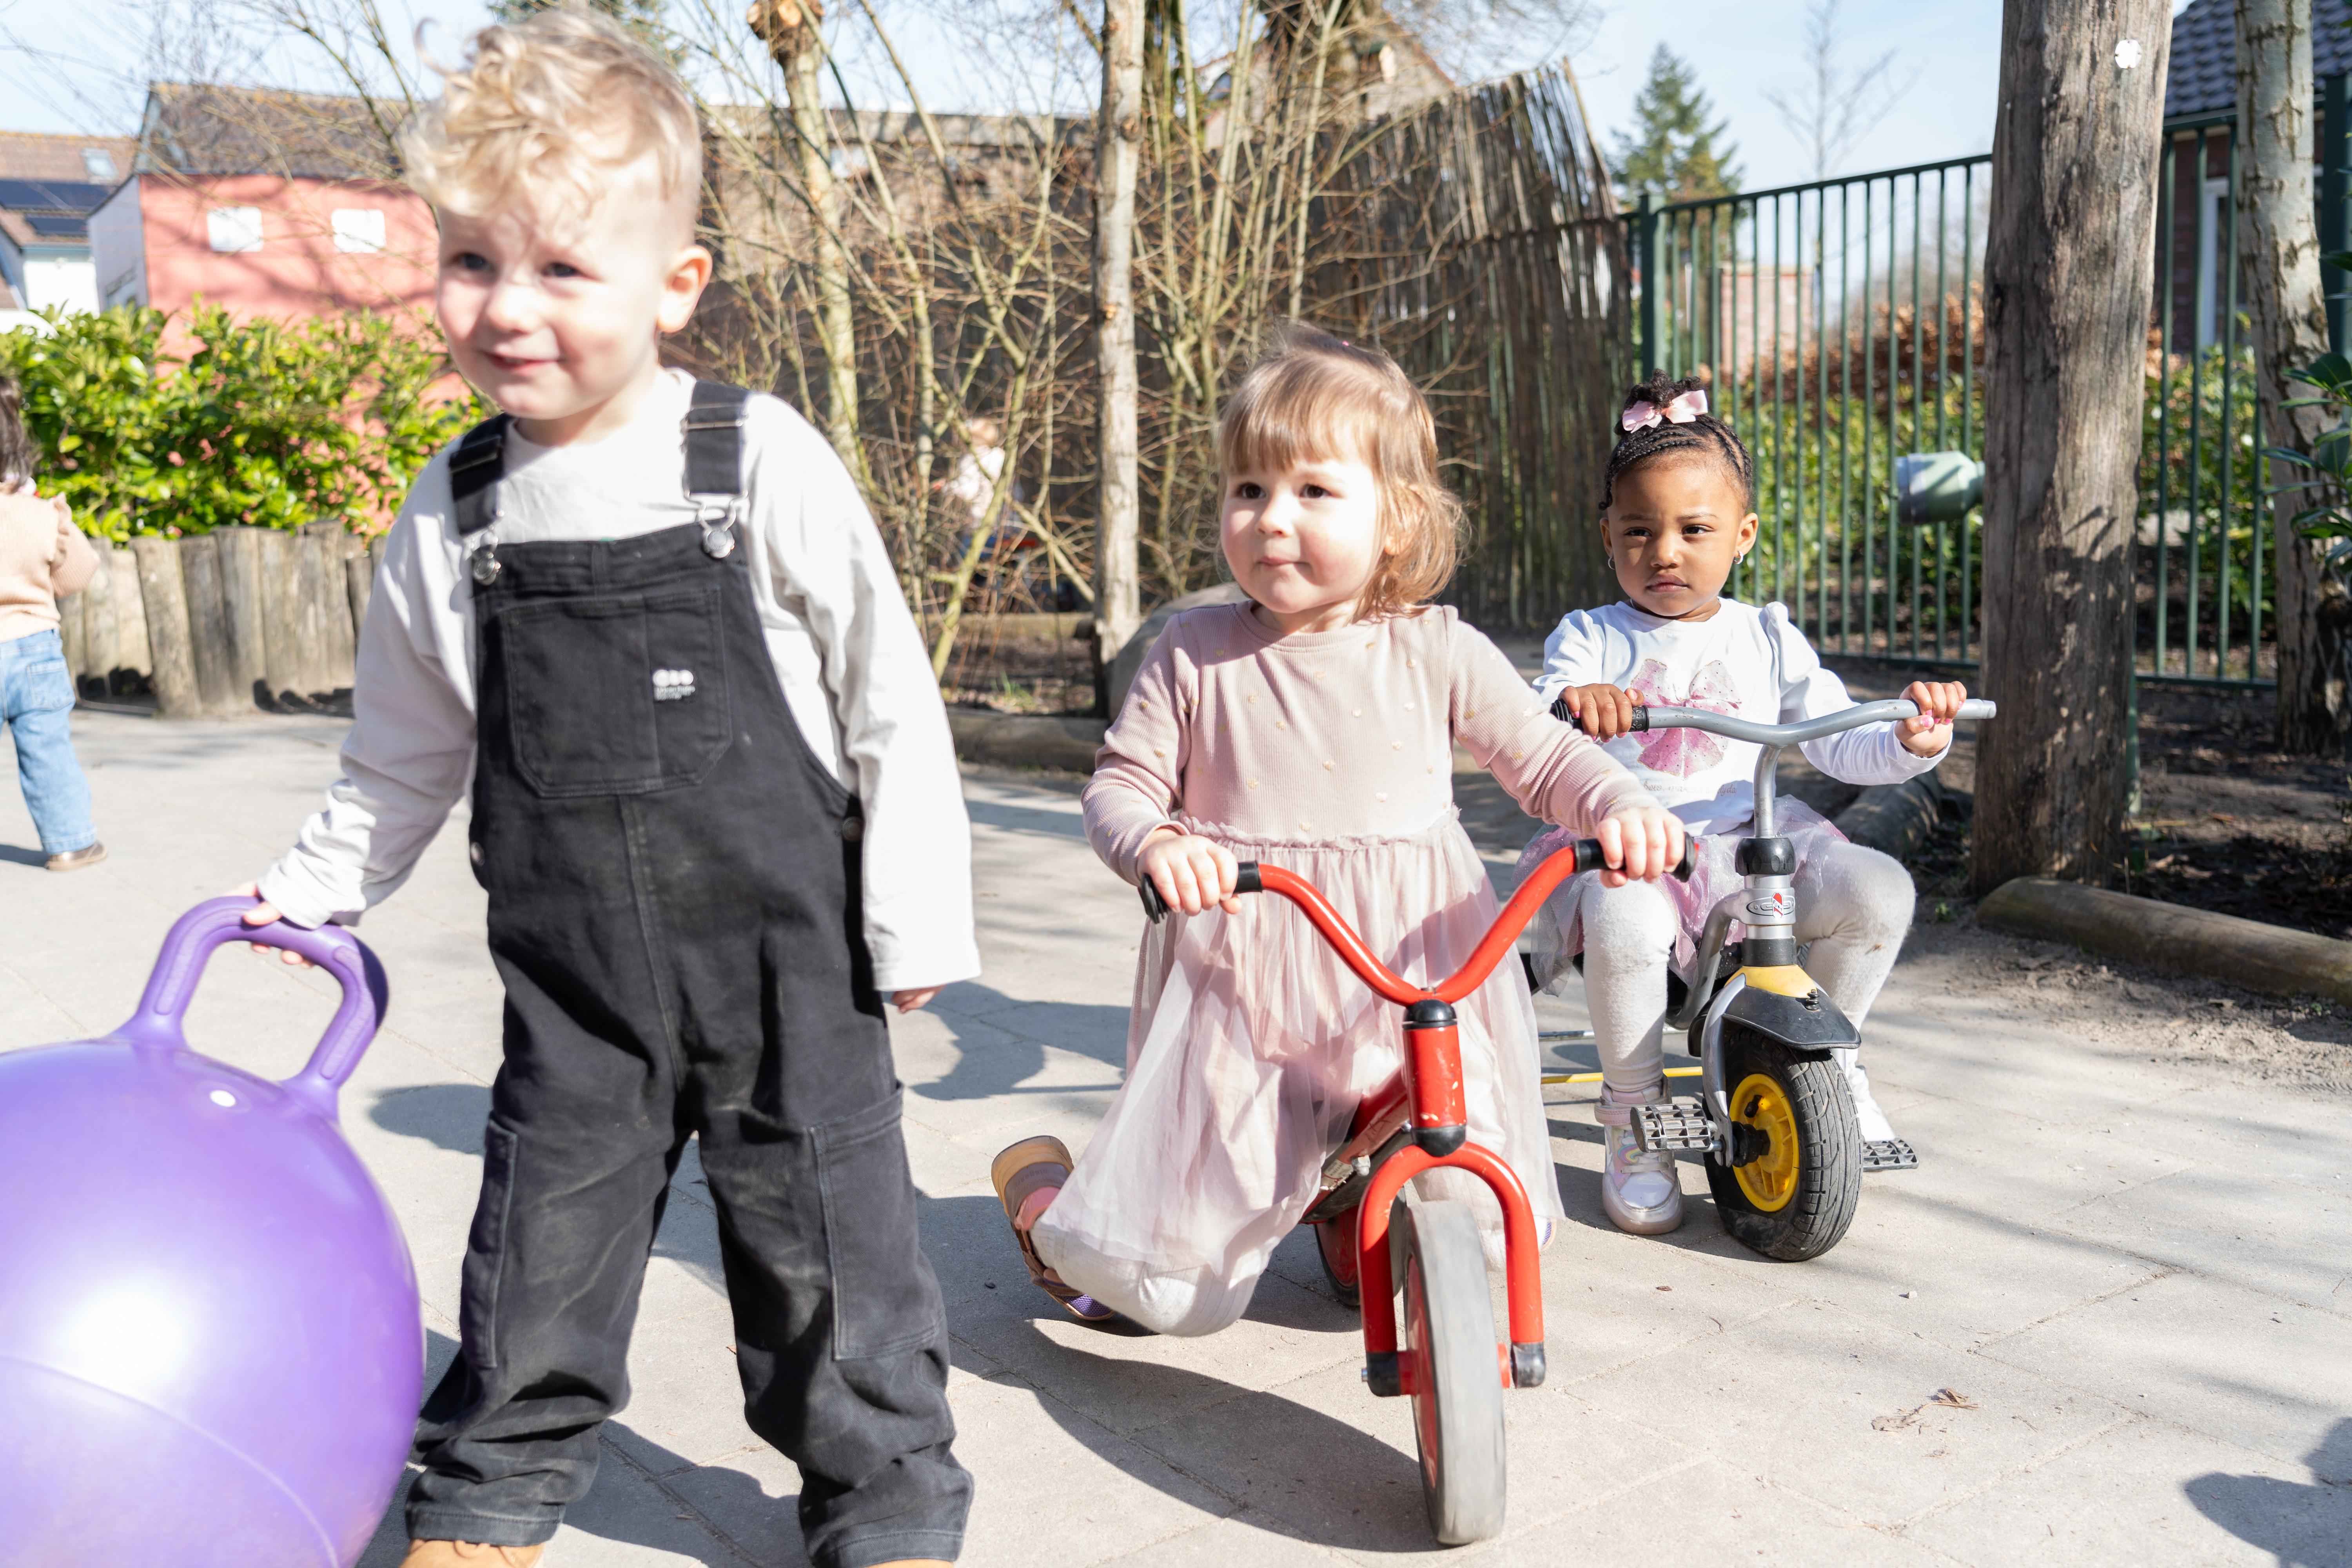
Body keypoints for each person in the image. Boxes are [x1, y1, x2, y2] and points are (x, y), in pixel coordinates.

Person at [236, 13, 976, 1567]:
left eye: (564, 269)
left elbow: (886, 700)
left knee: (834, 1258)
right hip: (578, 996)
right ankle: (491, 1499)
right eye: (472, 262)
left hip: (792, 970)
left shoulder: (755, 457)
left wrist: (915, 920)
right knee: (535, 1261)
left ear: (674, 283)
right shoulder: (451, 515)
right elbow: (400, 758)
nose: (510, 311)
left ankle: (887, 1503)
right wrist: (307, 889)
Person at [989, 325, 1684, 1336]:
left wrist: (1621, 802)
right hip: (1250, 976)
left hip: (1420, 964)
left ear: (1396, 519)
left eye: (1314, 492)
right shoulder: (1194, 654)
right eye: (1248, 490)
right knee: (1162, 1292)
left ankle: (1376, 1202)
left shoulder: (1436, 646)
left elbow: (1543, 757)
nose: (1272, 518)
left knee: (1483, 1212)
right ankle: (1050, 1204)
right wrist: (1154, 843)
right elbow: (1121, 785)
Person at [1523, 373, 1966, 1239]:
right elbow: (1542, 720)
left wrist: (1915, 737)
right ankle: (1634, 1114)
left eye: (1695, 531)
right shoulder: (1591, 635)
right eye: (1640, 531)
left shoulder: (1765, 633)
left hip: (1745, 832)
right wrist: (1580, 702)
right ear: (1607, 534)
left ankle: (1825, 1058)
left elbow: (1841, 738)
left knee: (1878, 890)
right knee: (1624, 916)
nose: (1666, 552)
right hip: (1626, 834)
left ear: (1743, 536)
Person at [0, 373, 105, 873]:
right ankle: (70, 843)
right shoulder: (40, 513)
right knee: (47, 749)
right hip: (34, 648)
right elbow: (79, 572)